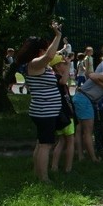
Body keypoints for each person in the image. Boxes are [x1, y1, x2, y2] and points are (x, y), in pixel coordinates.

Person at [17, 21, 64, 182]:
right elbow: (50, 56)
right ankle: (44, 178)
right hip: (44, 111)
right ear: (39, 51)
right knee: (45, 145)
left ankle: (38, 174)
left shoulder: (35, 64)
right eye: (44, 48)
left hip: (43, 110)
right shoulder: (35, 64)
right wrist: (58, 35)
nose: (46, 51)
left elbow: (51, 55)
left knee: (40, 143)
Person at [73, 69, 103, 163]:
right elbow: (91, 75)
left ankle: (81, 156)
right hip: (85, 100)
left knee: (79, 130)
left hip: (80, 98)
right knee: (88, 132)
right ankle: (93, 159)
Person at [50, 54, 77, 173]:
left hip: (61, 113)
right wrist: (69, 66)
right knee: (70, 141)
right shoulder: (56, 77)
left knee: (61, 141)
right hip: (65, 114)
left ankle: (54, 167)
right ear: (57, 66)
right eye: (63, 64)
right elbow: (64, 81)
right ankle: (68, 168)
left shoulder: (55, 76)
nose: (65, 66)